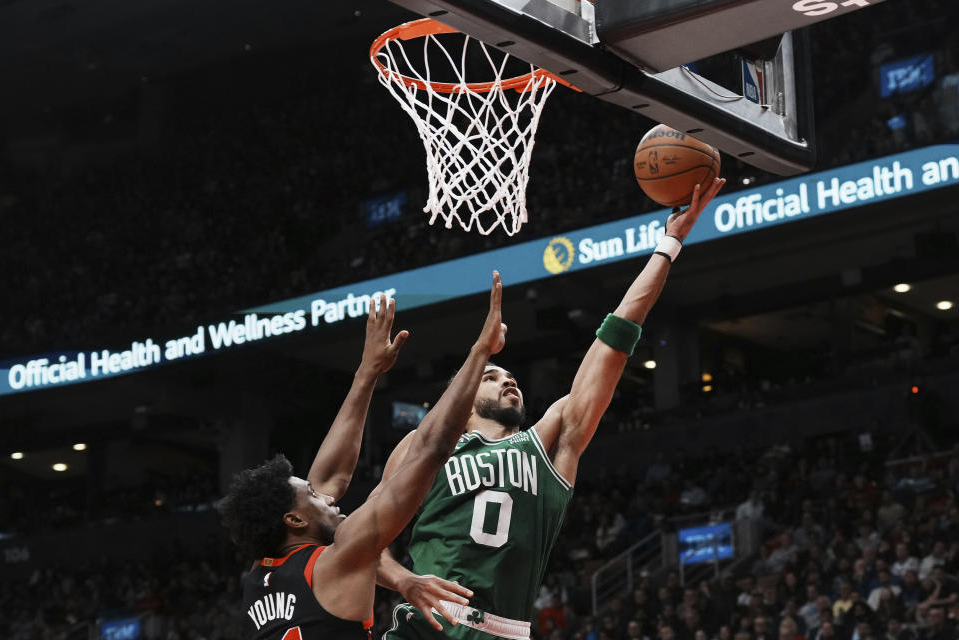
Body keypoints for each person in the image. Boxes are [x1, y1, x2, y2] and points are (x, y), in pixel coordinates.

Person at [376, 178, 726, 639]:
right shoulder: (423, 449)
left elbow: (615, 339)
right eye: (491, 376)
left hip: (505, 631)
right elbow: (363, 541)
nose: (508, 379)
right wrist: (404, 580)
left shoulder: (549, 442)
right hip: (426, 628)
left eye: (509, 375)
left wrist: (669, 244)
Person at [219, 277, 507, 640]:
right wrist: (481, 352)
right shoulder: (340, 559)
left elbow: (332, 477)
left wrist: (367, 372)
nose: (324, 496)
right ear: (293, 519)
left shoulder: (258, 574)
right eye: (310, 495)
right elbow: (432, 449)